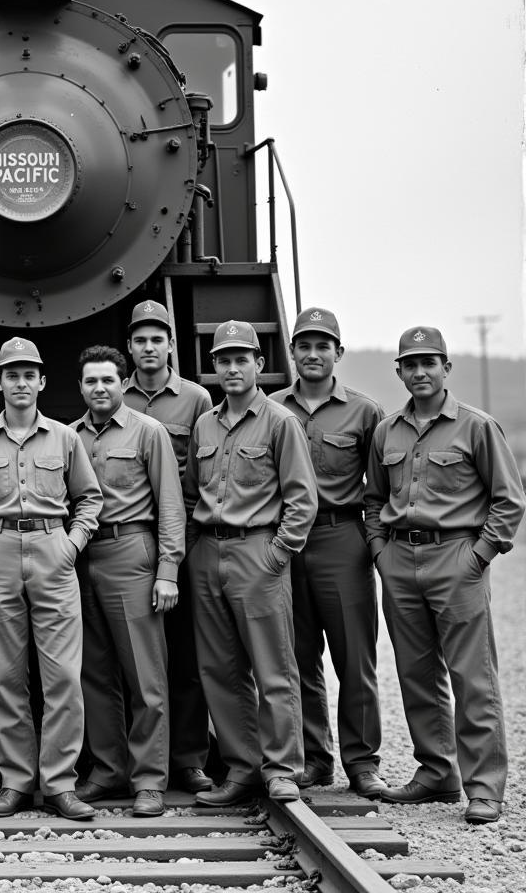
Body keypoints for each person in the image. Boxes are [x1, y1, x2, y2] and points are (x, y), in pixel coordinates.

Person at [364, 326, 526, 825]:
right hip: (400, 560)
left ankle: (484, 789)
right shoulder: (386, 430)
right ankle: (437, 774)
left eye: (429, 362)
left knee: (471, 677)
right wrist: (379, 552)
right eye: (410, 364)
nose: (420, 372)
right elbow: (373, 499)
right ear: (399, 371)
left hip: (456, 558)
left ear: (446, 367)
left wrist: (476, 558)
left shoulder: (477, 426)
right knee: (416, 675)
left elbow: (509, 500)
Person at [0, 336, 102, 821]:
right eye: (11, 375)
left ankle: (59, 784)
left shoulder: (65, 437)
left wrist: (71, 544)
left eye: (28, 374)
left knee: (63, 678)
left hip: (52, 551)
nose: (20, 382)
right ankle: (15, 782)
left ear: (41, 382)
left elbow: (89, 499)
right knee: (5, 677)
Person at [184, 320, 316, 805]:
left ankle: (282, 769)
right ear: (214, 368)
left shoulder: (279, 421)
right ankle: (242, 769)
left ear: (259, 365)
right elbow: (193, 492)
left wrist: (277, 553)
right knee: (219, 668)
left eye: (242, 359)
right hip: (207, 552)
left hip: (257, 552)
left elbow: (302, 498)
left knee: (273, 665)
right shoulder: (204, 423)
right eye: (224, 359)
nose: (232, 367)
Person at [269, 308, 386, 799]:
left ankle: (363, 764)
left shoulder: (365, 412)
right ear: (291, 353)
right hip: (283, 544)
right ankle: (314, 760)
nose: (312, 355)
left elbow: (380, 489)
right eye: (304, 346)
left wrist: (375, 546)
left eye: (323, 346)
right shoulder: (271, 407)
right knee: (297, 657)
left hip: (342, 539)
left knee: (354, 657)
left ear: (338, 353)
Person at [71, 345, 185, 818]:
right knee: (93, 673)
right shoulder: (69, 435)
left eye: (108, 381)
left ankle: (149, 780)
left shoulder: (148, 431)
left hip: (131, 552)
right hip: (81, 558)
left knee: (144, 675)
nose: (100, 388)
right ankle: (107, 769)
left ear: (123, 383)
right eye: (91, 381)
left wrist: (167, 570)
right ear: (81, 386)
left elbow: (171, 505)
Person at [121, 299, 214, 793]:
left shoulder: (196, 400)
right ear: (130, 348)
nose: (149, 348)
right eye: (141, 340)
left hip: (183, 535)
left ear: (172, 345)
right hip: (132, 540)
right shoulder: (117, 397)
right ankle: (130, 758)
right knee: (137, 657)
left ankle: (189, 757)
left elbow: (201, 471)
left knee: (186, 650)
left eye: (158, 339)